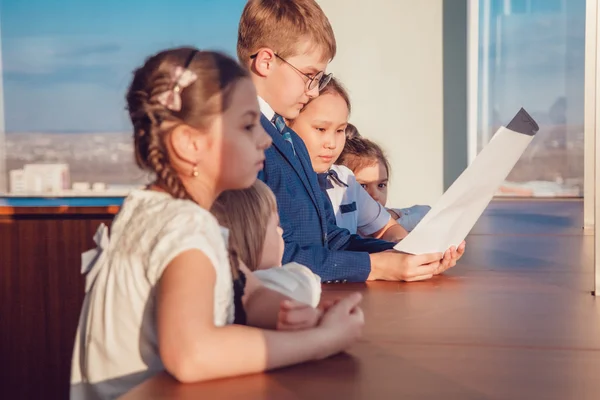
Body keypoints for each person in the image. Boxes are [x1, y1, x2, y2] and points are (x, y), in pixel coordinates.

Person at [70, 47, 364, 400]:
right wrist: (320, 341)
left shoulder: (155, 210)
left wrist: (291, 315)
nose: (265, 139)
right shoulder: (185, 227)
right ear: (189, 144)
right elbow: (192, 355)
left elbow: (248, 290)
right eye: (246, 125)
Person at [237, 0, 462, 283]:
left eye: (319, 78)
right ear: (266, 61)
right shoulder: (239, 139)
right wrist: (376, 267)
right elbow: (264, 256)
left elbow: (329, 238)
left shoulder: (290, 138)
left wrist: (404, 254)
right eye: (309, 75)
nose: (313, 90)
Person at [287, 78, 407, 241]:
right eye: (321, 129)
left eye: (339, 130)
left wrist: (402, 252)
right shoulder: (280, 181)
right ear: (288, 123)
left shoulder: (345, 179)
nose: (331, 143)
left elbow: (388, 227)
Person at [212, 180, 322, 307]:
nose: (281, 231)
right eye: (276, 225)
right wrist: (305, 274)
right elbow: (306, 286)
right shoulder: (268, 285)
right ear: (252, 236)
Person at [337, 135, 432, 232]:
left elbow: (426, 213)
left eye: (381, 185)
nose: (375, 195)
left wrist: (395, 215)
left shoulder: (392, 219)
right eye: (363, 186)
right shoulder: (336, 228)